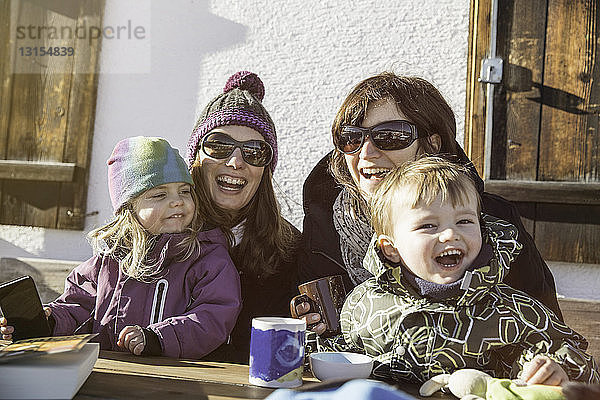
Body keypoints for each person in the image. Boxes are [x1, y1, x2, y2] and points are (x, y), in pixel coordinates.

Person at [298, 72, 563, 335]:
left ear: (432, 145)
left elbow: (548, 332)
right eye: (352, 138)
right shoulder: (325, 219)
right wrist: (312, 327)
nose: (366, 153)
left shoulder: (494, 222)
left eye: (390, 136)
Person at [321, 157, 599, 384]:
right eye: (429, 226)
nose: (450, 234)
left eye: (465, 221)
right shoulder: (365, 303)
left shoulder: (512, 310)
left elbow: (575, 356)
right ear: (391, 248)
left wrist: (558, 369)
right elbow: (343, 354)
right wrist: (308, 344)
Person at [0, 136, 242, 359]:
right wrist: (49, 321)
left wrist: (157, 337)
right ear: (130, 209)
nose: (177, 200)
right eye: (159, 195)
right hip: (106, 375)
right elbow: (76, 307)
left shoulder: (206, 257)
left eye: (184, 191)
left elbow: (213, 316)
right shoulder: (108, 261)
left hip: (173, 380)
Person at [187, 71, 300, 363]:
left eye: (254, 151)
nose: (236, 162)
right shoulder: (160, 233)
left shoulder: (290, 251)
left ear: (266, 169)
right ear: (196, 157)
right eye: (219, 145)